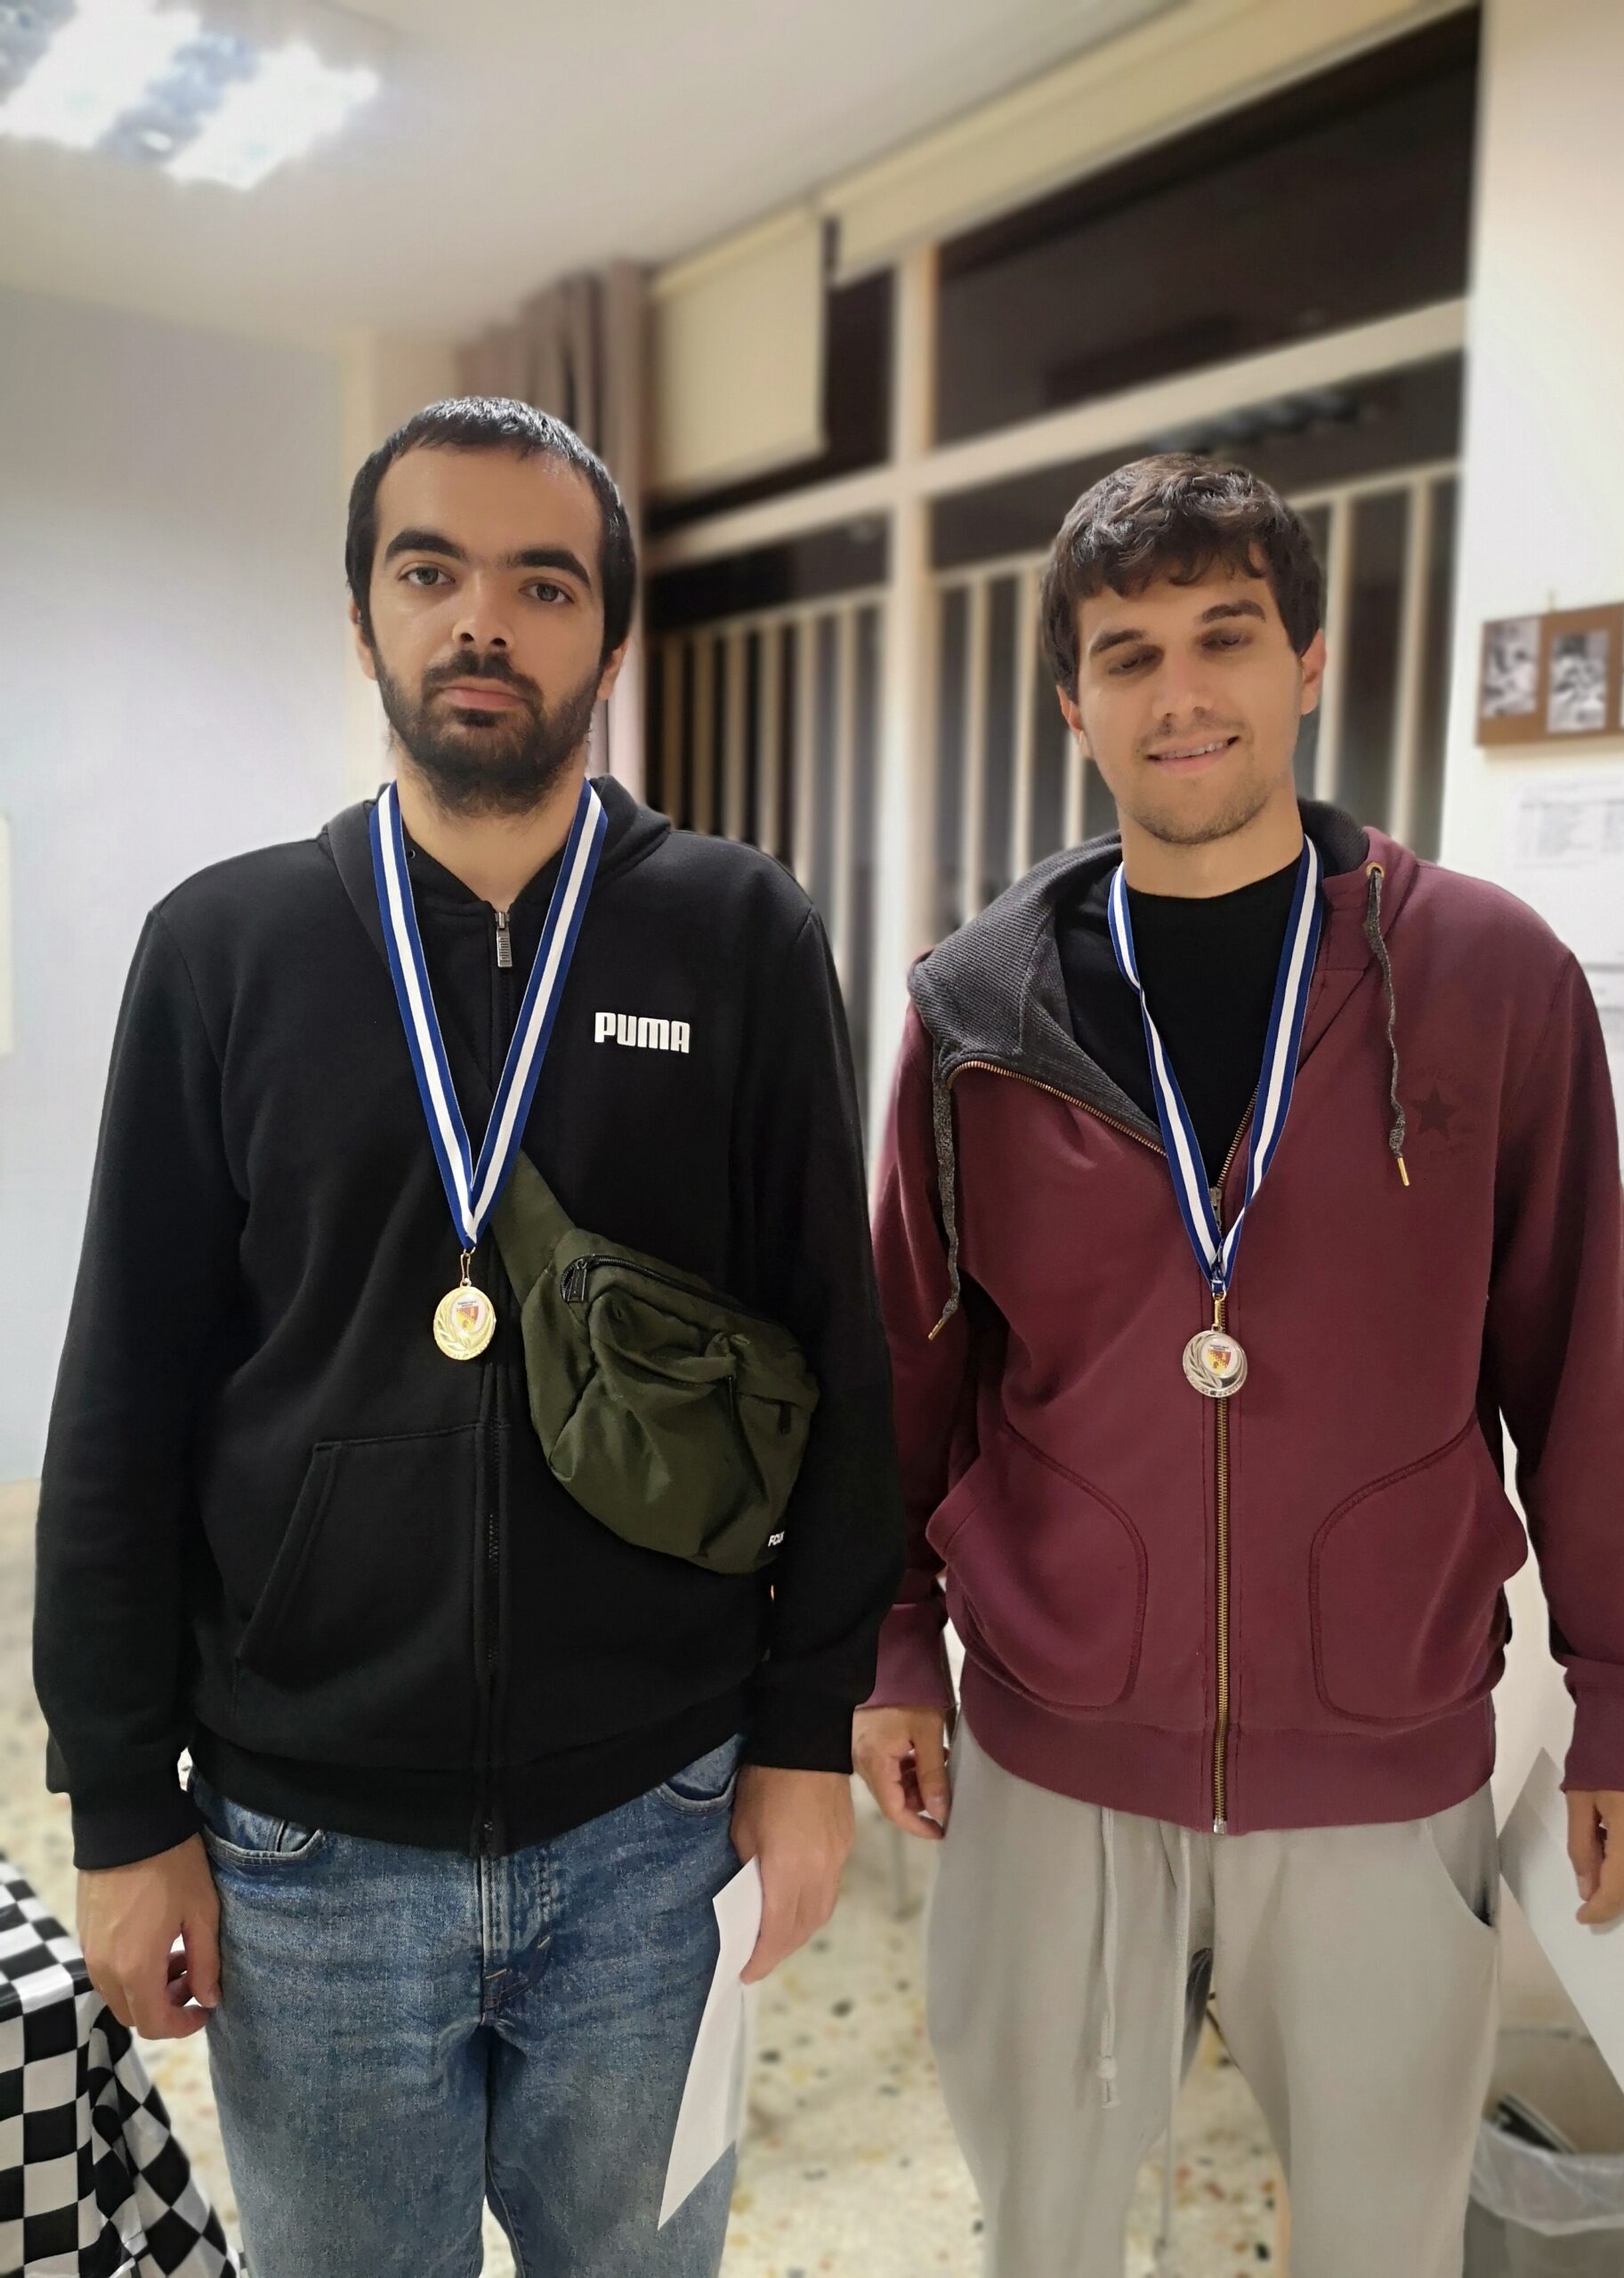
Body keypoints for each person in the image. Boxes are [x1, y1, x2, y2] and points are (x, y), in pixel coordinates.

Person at [34, 397, 904, 2278]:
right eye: (430, 571)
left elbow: (842, 1358)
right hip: (305, 1851)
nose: (482, 620)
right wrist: (117, 1804)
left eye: (542, 581)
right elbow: (121, 1396)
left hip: (656, 1827)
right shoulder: (227, 948)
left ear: (613, 634)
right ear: (363, 612)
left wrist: (804, 1738)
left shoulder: (738, 935)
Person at [853, 454, 1624, 2278]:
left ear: (1307, 662)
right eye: (1129, 651)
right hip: (1056, 1749)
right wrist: (888, 1639)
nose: (1181, 692)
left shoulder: (1488, 978)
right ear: (1073, 700)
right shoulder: (976, 1013)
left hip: (1382, 1762)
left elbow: (1586, 1360)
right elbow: (908, 1368)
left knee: (1380, 2243)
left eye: (1225, 636)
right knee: (1046, 2234)